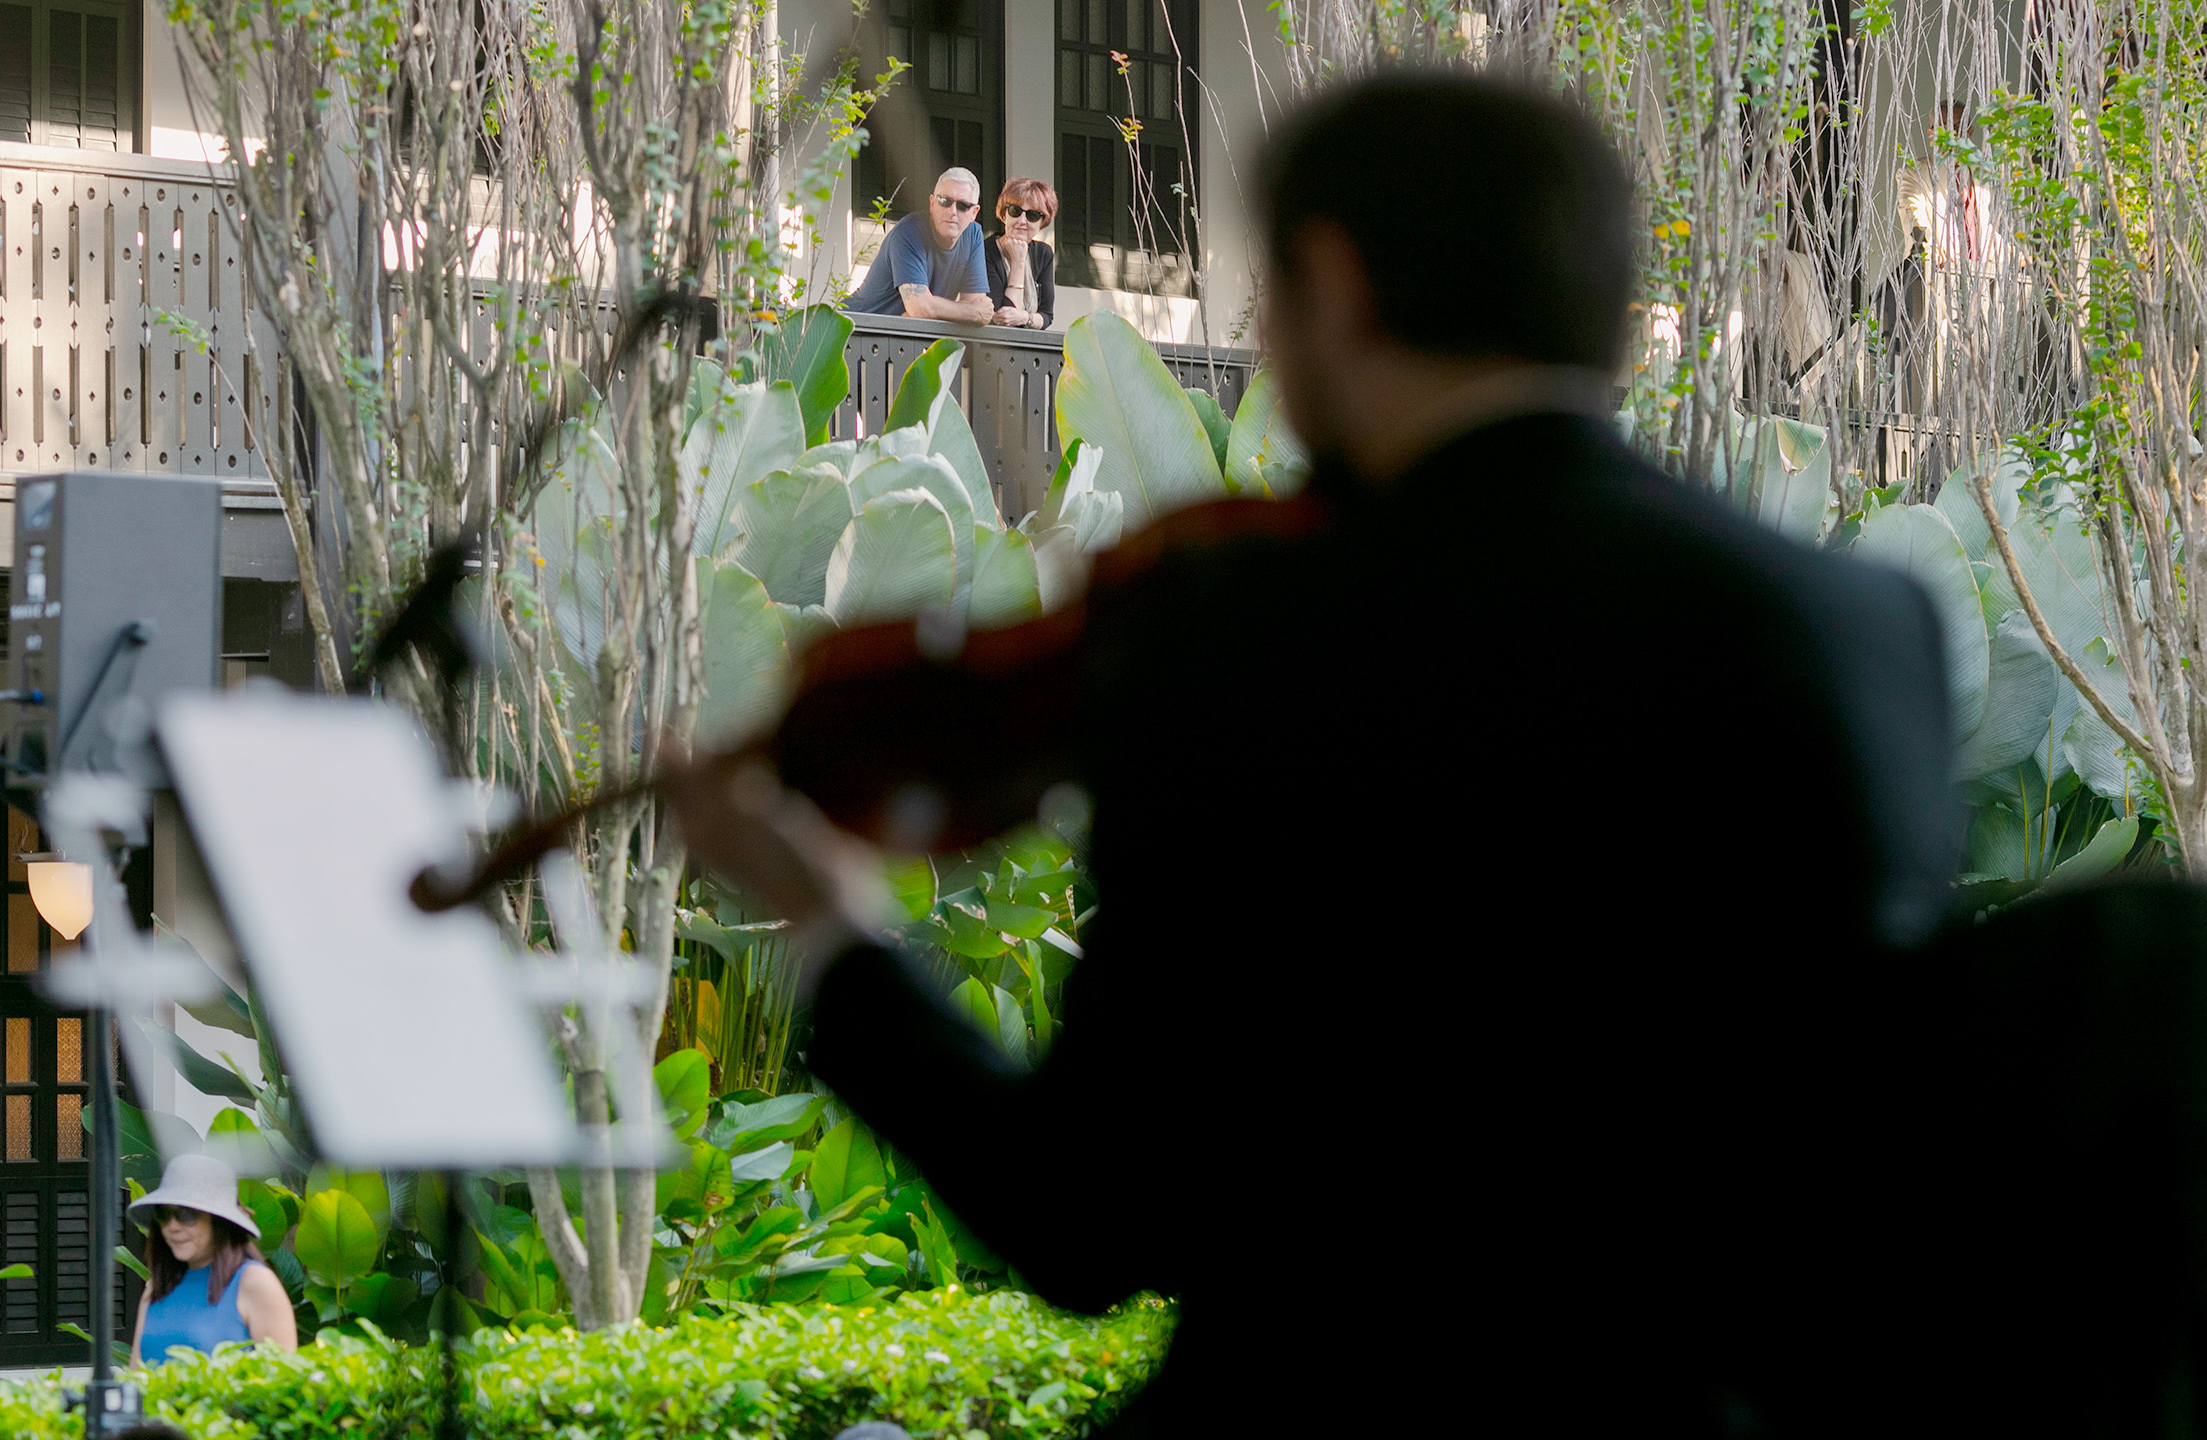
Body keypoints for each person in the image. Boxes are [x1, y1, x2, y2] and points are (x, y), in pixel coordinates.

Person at [674, 72, 1957, 1436]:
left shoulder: (1246, 637)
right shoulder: (1866, 632)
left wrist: (828, 927)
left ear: (1334, 284)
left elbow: (1082, 1219)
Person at [129, 1154, 295, 1362]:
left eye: (186, 1214)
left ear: (218, 1221)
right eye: (163, 1215)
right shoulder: (157, 1287)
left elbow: (284, 1380)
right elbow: (135, 1376)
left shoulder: (254, 1281)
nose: (172, 1226)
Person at [842, 168, 994, 323]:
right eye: (944, 201)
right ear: (932, 203)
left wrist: (932, 309)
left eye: (962, 205)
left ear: (974, 213)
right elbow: (920, 308)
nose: (952, 211)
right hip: (853, 330)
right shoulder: (908, 232)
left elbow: (977, 304)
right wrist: (970, 312)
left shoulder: (973, 235)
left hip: (900, 337)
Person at [983, 177, 1057, 329]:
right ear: (1004, 215)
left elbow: (1047, 317)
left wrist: (1024, 317)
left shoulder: (1043, 254)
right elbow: (1003, 318)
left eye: (1033, 215)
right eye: (1015, 211)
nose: (1022, 221)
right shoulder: (986, 251)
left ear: (1042, 223)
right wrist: (1017, 262)